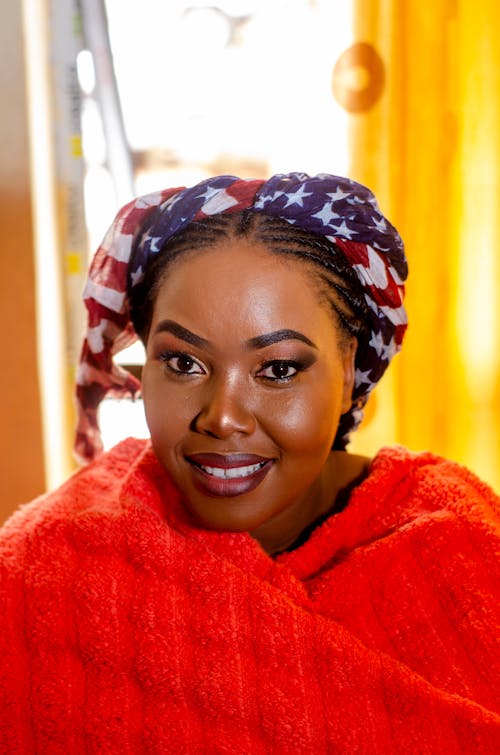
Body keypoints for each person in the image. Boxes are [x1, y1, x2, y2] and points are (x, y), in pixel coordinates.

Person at [0, 173, 498, 753]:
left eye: (279, 369)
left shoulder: (463, 551)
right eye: (183, 363)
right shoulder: (49, 570)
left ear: (347, 374)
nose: (223, 417)